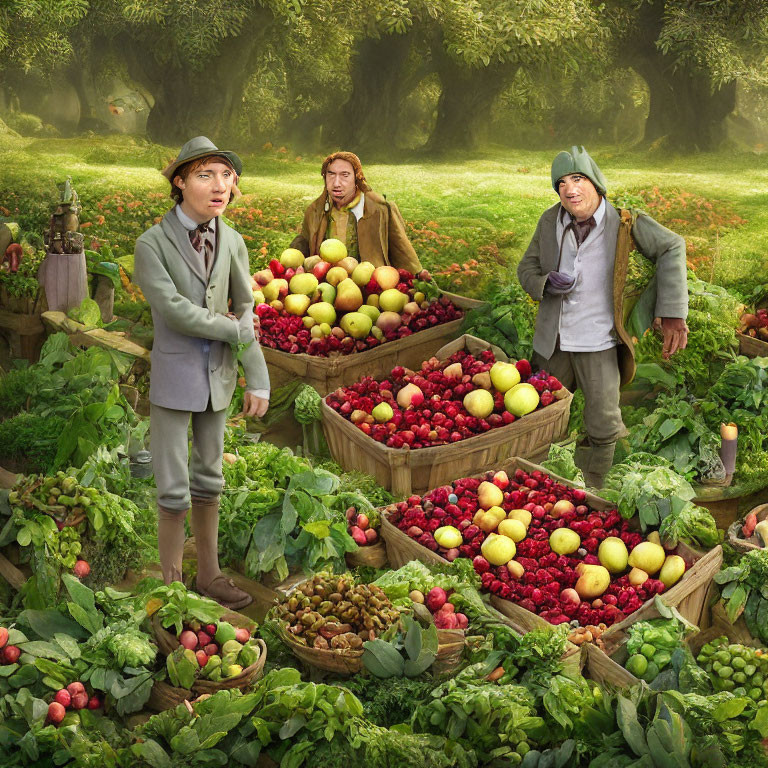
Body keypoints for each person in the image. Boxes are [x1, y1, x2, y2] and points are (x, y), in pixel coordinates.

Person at [134, 136, 270, 609]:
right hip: (175, 381)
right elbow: (174, 311)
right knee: (173, 488)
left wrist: (258, 376)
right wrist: (231, 328)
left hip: (219, 377)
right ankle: (173, 586)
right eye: (205, 175)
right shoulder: (152, 244)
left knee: (209, 477)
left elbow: (246, 310)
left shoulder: (232, 239)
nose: (220, 186)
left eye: (227, 176)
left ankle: (209, 576)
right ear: (180, 182)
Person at [517, 146, 689, 488]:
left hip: (598, 339)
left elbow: (672, 246)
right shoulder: (550, 221)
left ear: (595, 183)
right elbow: (527, 268)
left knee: (603, 420)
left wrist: (671, 312)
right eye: (561, 183)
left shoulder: (624, 223)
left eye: (578, 179)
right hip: (554, 340)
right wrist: (545, 283)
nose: (569, 189)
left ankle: (597, 486)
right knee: (539, 411)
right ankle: (536, 478)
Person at [290, 150, 422, 273]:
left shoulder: (380, 210)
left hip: (372, 285)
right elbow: (305, 243)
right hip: (326, 282)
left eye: (344, 175)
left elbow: (403, 253)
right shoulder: (315, 211)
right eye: (331, 175)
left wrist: (417, 279)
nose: (336, 183)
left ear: (356, 178)